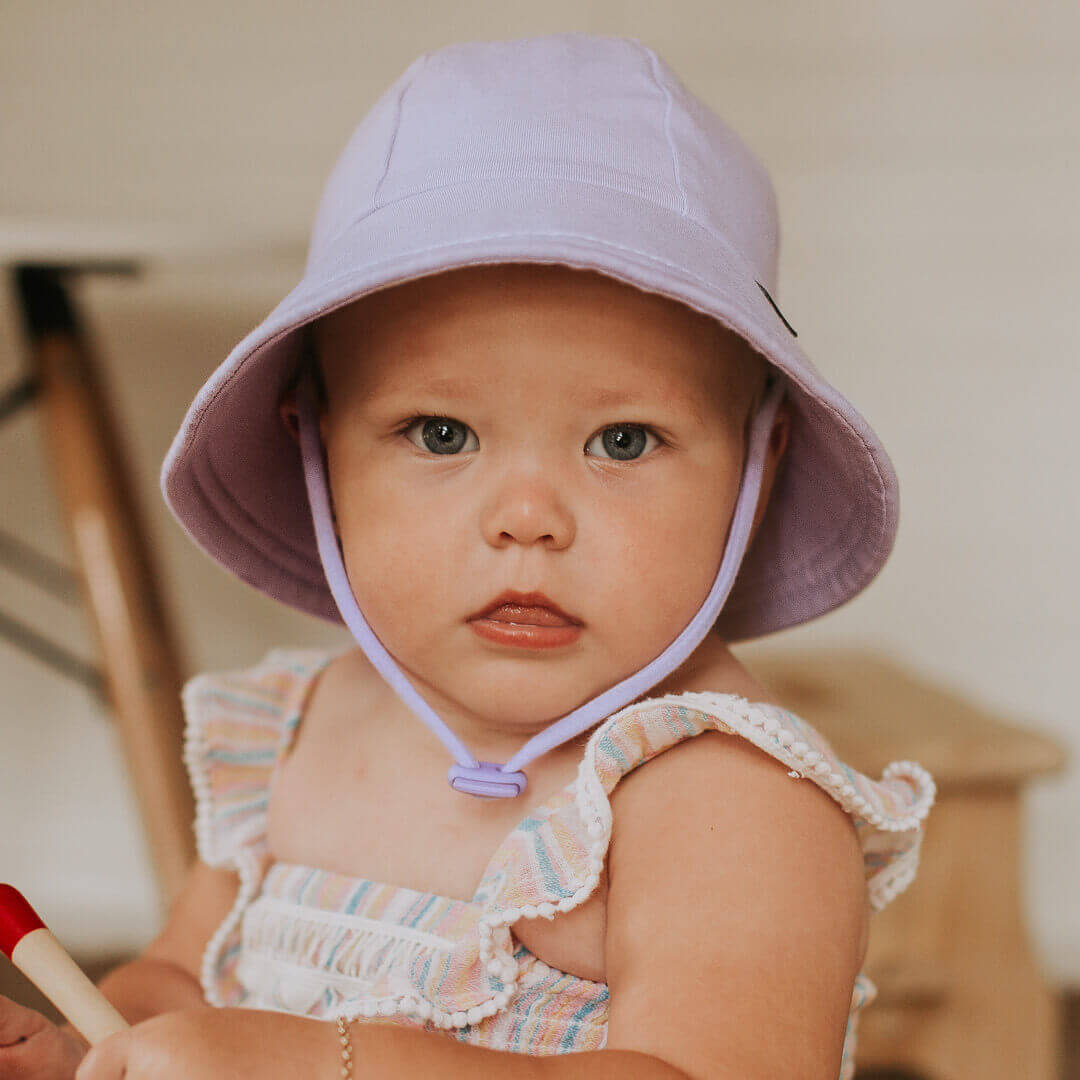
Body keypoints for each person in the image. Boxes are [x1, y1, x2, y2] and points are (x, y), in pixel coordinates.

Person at [1, 32, 935, 1080]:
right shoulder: (297, 732)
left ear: (758, 464)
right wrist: (96, 1047)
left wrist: (324, 1065)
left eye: (622, 441)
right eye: (441, 433)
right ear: (314, 443)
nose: (528, 519)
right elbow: (182, 979)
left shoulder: (721, 796)